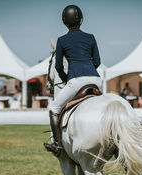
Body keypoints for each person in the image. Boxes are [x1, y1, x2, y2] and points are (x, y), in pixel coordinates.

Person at [44, 5, 102, 156]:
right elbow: (97, 61)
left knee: (54, 109)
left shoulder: (62, 40)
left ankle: (58, 145)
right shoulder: (91, 37)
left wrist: (67, 80)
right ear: (81, 19)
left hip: (76, 81)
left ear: (64, 21)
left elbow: (57, 66)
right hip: (96, 80)